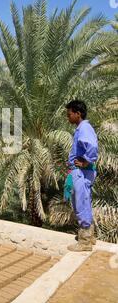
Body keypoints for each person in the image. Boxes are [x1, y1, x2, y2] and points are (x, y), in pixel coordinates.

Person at [65, 100, 98, 252]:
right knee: (84, 201)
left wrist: (85, 161)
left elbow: (92, 147)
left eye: (69, 114)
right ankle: (89, 236)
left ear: (78, 114)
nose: (68, 117)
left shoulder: (84, 128)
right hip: (80, 172)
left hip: (82, 172)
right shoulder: (82, 128)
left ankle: (84, 241)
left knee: (80, 203)